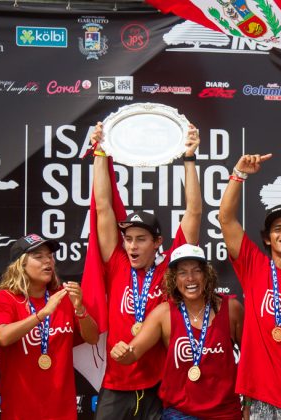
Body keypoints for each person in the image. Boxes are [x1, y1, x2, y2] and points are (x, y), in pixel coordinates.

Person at [91, 121, 202, 419]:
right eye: (128, 239)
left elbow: (193, 212)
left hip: (159, 385)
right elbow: (103, 207)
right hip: (116, 383)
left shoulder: (171, 267)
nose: (132, 246)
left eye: (140, 239)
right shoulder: (116, 264)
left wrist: (189, 158)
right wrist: (100, 154)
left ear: (157, 243)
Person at [219, 154, 281, 418]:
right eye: (277, 229)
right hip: (261, 399)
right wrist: (238, 175)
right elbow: (226, 219)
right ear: (267, 239)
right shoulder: (254, 267)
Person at [110, 244, 244, 419]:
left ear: (207, 275)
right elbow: (132, 354)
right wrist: (121, 353)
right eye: (182, 273)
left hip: (225, 413)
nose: (190, 278)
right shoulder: (163, 314)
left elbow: (251, 361)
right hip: (179, 413)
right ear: (173, 279)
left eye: (197, 271)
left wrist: (248, 403)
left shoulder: (231, 309)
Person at [0, 234, 99, 419]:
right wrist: (42, 314)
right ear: (21, 264)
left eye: (49, 256)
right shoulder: (6, 298)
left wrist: (80, 308)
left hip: (62, 409)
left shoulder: (62, 297)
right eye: (38, 256)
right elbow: (2, 337)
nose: (47, 260)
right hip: (21, 410)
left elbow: (93, 338)